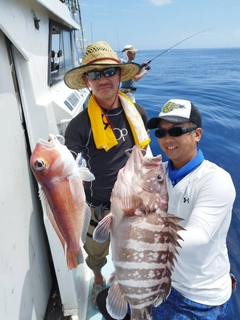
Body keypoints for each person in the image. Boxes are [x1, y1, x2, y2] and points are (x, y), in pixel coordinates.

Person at [96, 99, 236, 319]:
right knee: (112, 303)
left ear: (197, 134)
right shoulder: (156, 173)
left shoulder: (216, 180)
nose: (167, 139)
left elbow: (199, 235)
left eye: (177, 131)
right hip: (159, 282)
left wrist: (139, 249)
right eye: (161, 133)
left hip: (199, 296)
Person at [63, 41, 150, 309]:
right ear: (87, 81)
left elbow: (143, 154)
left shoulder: (138, 113)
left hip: (131, 205)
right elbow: (69, 170)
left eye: (109, 72)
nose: (103, 79)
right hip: (98, 206)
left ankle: (132, 289)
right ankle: (99, 279)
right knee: (96, 252)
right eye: (94, 74)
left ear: (120, 75)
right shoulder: (78, 127)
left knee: (134, 251)